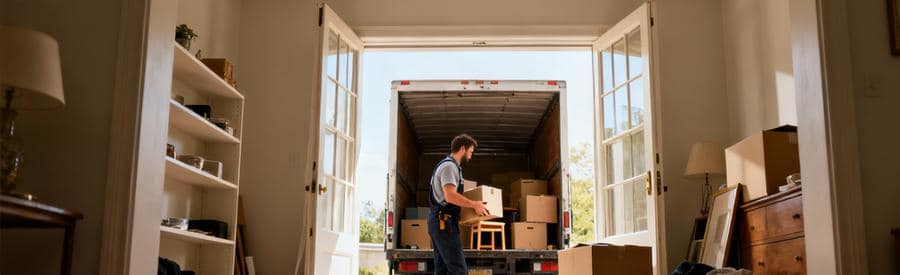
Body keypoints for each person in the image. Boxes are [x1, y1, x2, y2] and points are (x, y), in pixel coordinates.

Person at [427, 134, 489, 275]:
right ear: (462, 149)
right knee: (458, 270)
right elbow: (449, 195)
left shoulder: (451, 166)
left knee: (443, 270)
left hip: (440, 222)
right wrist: (474, 204)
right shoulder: (449, 166)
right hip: (444, 223)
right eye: (470, 152)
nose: (470, 157)